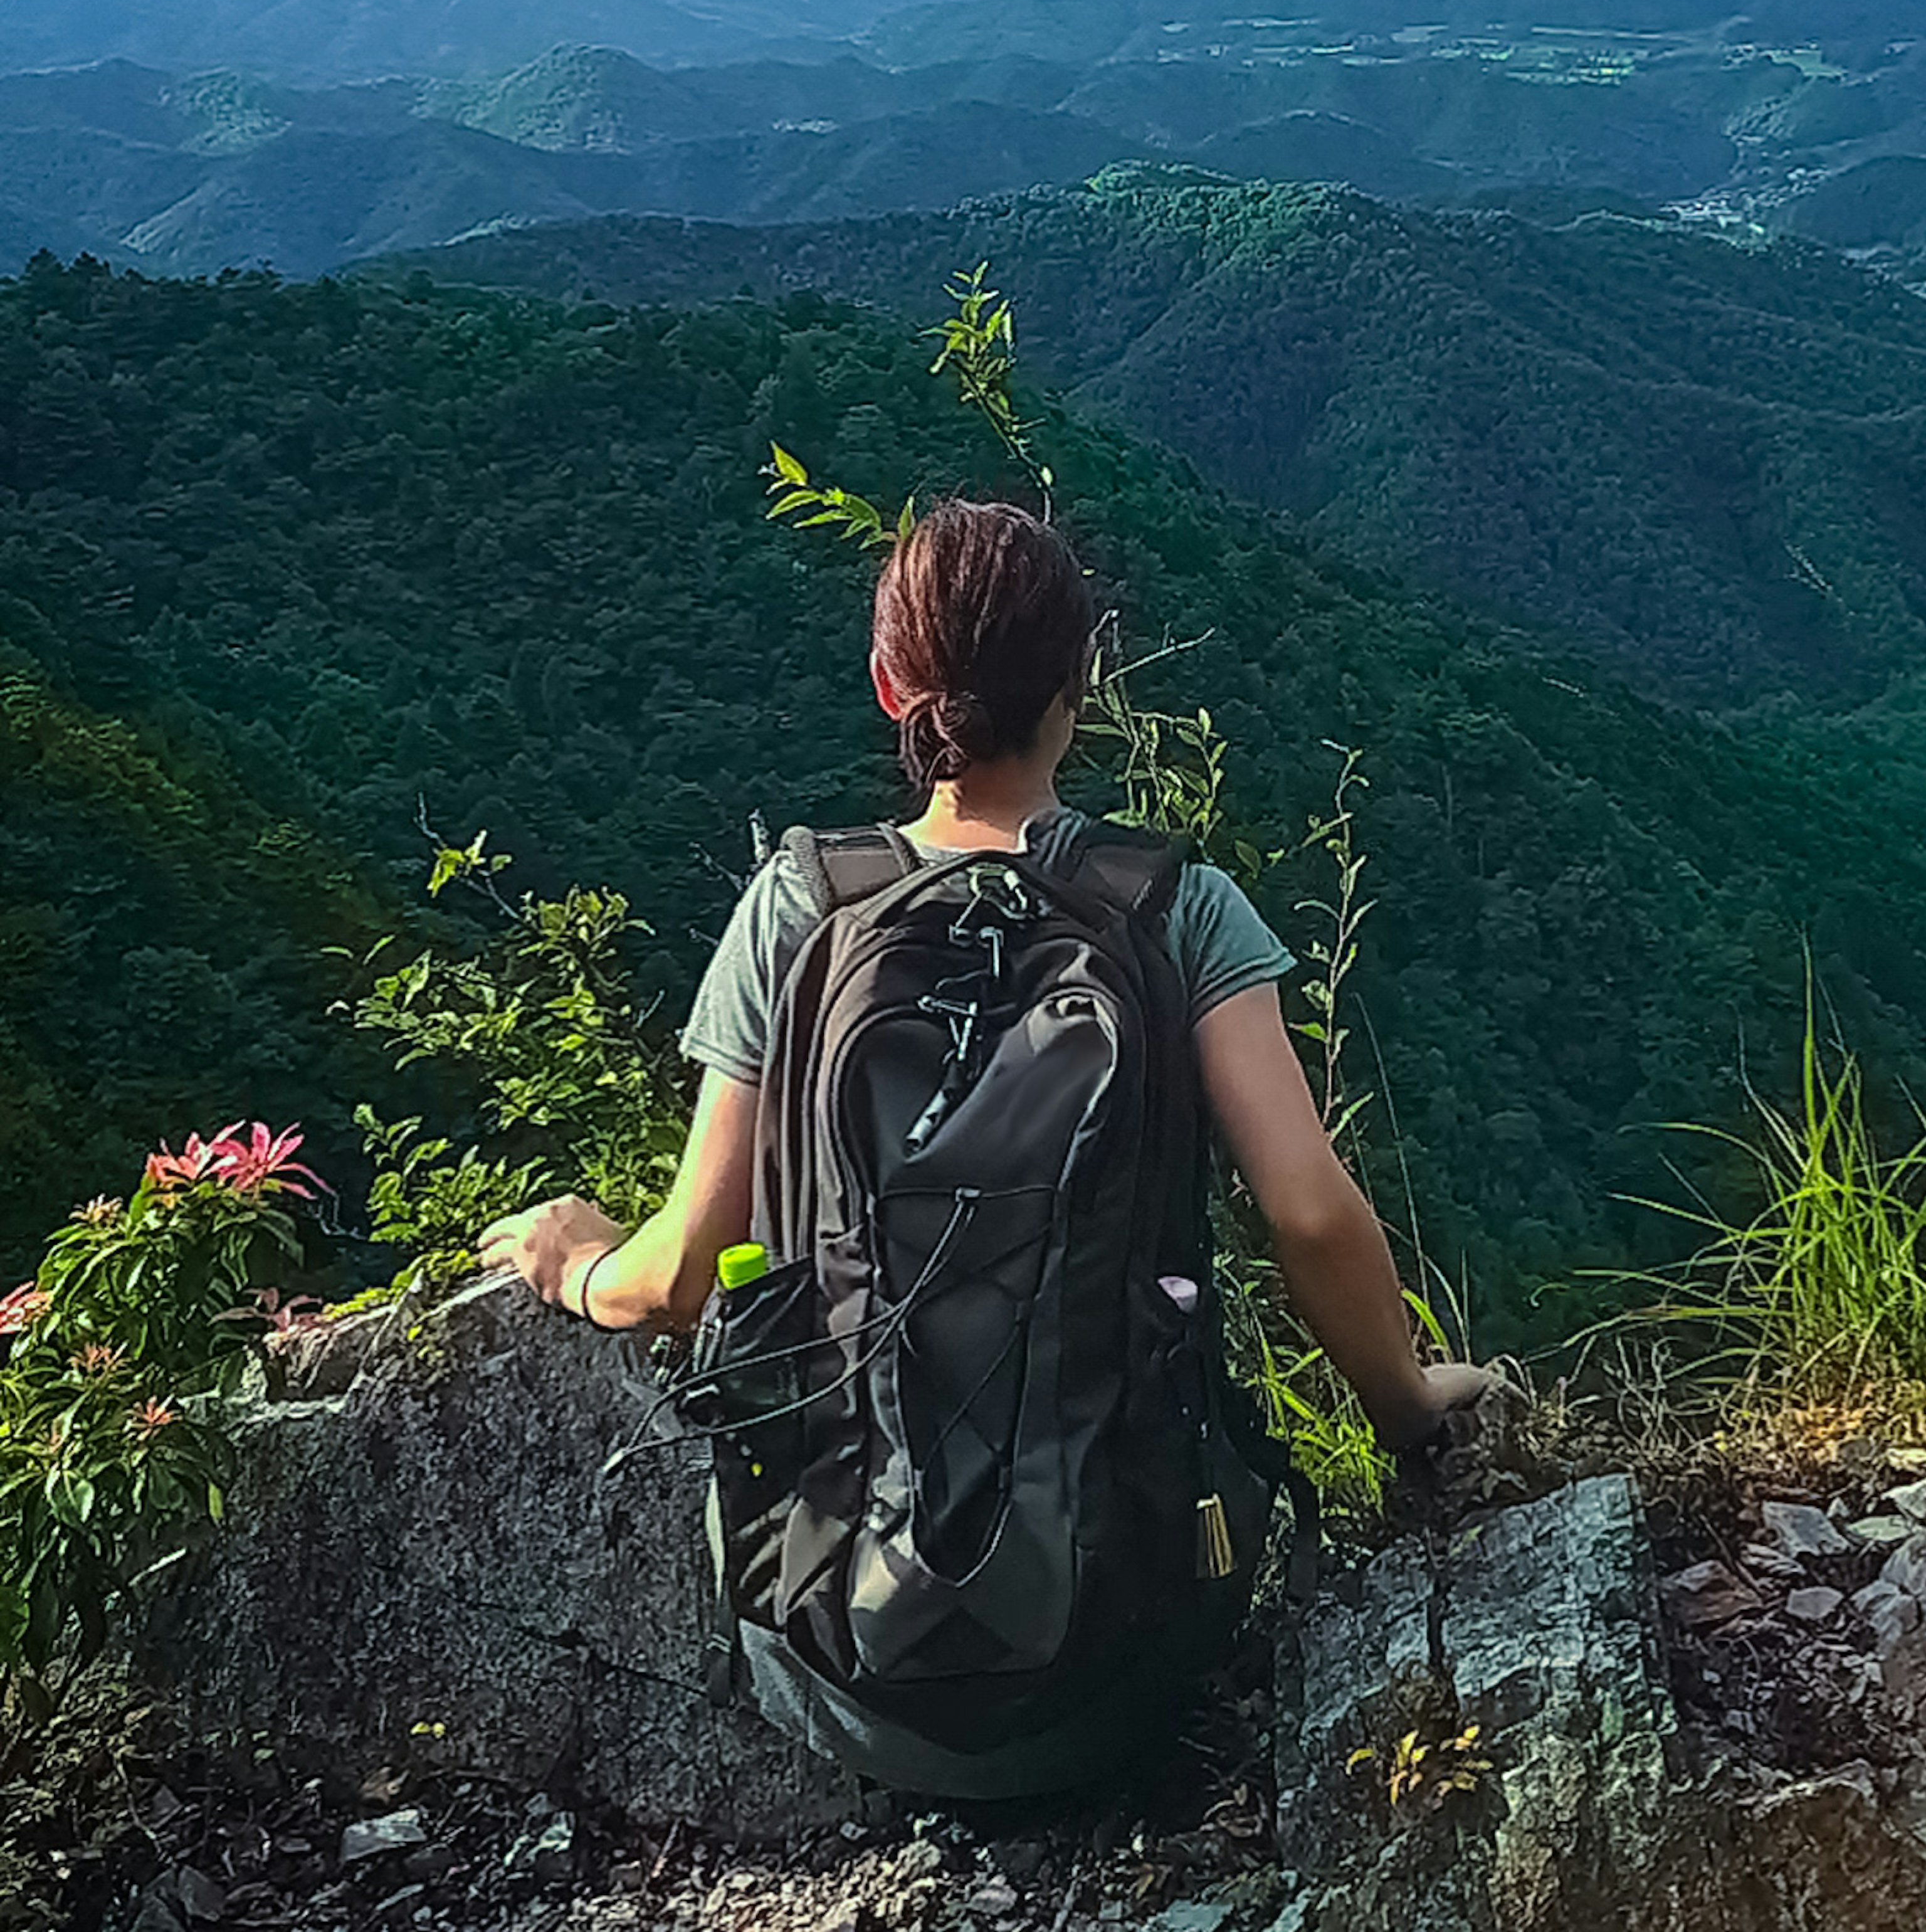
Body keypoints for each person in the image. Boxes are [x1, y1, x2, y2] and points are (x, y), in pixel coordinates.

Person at [481, 500, 1489, 1783]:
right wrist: (1409, 1411)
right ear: (1086, 677)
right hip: (1131, 1657)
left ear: (890, 684)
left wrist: (574, 1261)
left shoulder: (800, 907)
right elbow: (1308, 1213)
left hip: (844, 1671)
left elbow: (683, 1273)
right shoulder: (1175, 907)